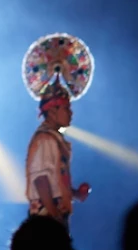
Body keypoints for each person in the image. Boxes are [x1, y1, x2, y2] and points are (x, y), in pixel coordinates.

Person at [24, 81, 90, 230]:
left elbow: (56, 183)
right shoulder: (45, 139)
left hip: (54, 213)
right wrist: (54, 217)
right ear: (52, 111)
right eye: (66, 108)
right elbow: (40, 180)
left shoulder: (54, 138)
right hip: (46, 215)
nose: (70, 113)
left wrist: (75, 194)